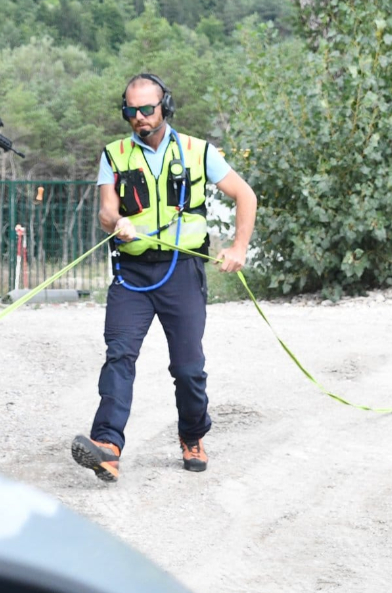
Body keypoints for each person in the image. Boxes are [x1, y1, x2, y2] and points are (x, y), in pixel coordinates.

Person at [71, 74, 257, 483]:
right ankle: (107, 447)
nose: (138, 118)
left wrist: (239, 247)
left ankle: (192, 435)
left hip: (182, 272)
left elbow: (246, 195)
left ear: (165, 106)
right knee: (119, 355)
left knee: (188, 367)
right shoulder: (114, 154)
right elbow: (105, 211)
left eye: (147, 109)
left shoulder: (197, 150)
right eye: (131, 111)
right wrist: (116, 221)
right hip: (132, 272)